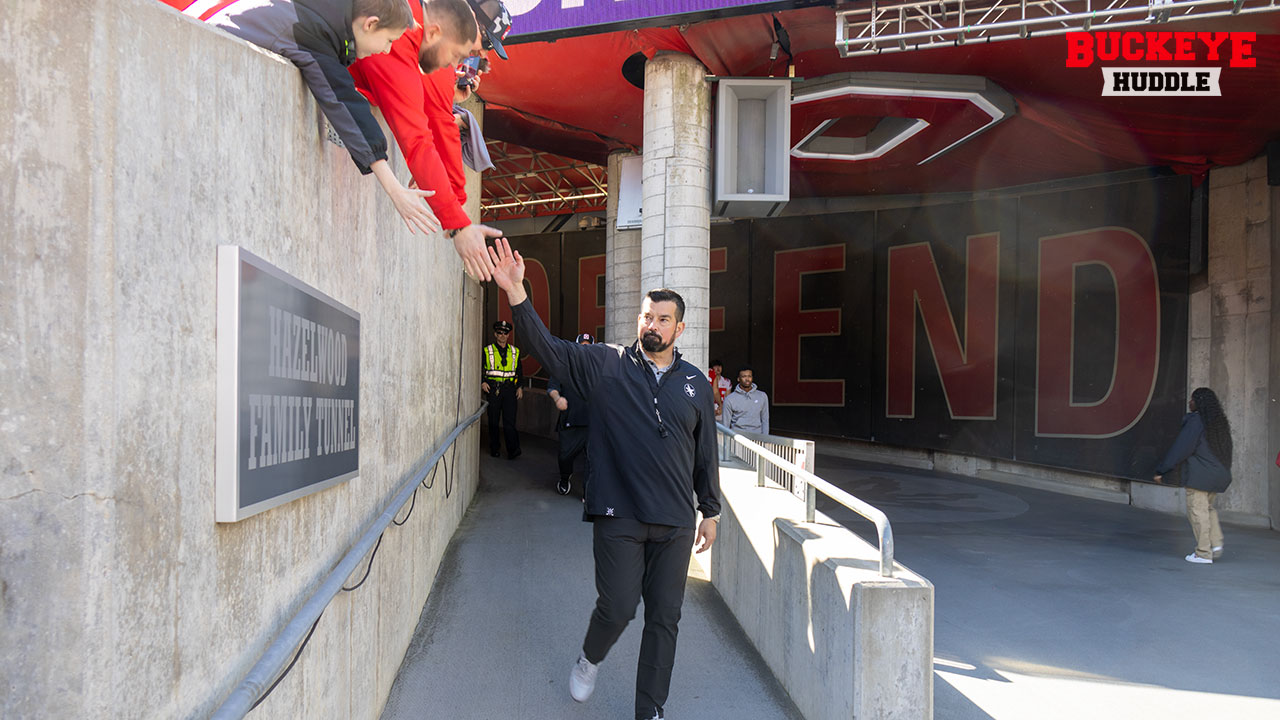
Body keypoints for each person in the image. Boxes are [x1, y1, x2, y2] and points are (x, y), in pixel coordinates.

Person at [487, 238, 720, 720]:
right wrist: (516, 292)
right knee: (617, 607)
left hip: (675, 520)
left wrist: (710, 510)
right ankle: (590, 659)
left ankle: (650, 708)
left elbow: (705, 454)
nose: (651, 325)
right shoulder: (606, 365)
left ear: (680, 327)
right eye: (645, 316)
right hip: (620, 514)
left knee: (665, 618)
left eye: (661, 319)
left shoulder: (695, 383)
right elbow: (547, 350)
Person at [186, 0, 441, 236]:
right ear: (370, 24)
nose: (386, 51)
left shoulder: (324, 14)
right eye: (388, 40)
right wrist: (395, 190)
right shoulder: (313, 29)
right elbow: (343, 101)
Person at [349, 0, 512, 282]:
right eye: (485, 42)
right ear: (469, 17)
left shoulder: (419, 22)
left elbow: (430, 112)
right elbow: (425, 134)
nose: (481, 53)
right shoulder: (406, 32)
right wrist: (458, 220)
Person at [1154, 387, 1234, 564]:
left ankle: (1203, 553)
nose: (1190, 402)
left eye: (1192, 399)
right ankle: (1216, 543)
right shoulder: (1218, 423)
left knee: (1197, 513)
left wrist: (1162, 469)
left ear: (1199, 403)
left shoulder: (1196, 421)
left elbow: (1181, 448)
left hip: (1199, 477)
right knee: (1208, 509)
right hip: (1217, 474)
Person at [547, 333, 595, 496]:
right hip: (570, 422)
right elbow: (552, 388)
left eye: (588, 346)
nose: (585, 349)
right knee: (565, 457)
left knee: (592, 459)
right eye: (582, 345)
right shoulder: (564, 367)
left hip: (592, 423)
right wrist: (557, 398)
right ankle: (565, 478)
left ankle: (587, 492)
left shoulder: (598, 368)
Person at [481, 320, 522, 459]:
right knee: (493, 421)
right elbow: (479, 368)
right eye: (499, 333)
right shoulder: (487, 351)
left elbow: (519, 371)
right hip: (493, 390)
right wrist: (482, 382)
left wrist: (520, 387)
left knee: (510, 422)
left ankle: (513, 450)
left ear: (508, 335)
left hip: (510, 390)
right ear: (495, 334)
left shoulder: (515, 352)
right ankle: (495, 448)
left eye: (505, 333)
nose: (502, 335)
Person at [723, 366, 769, 435]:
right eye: (744, 376)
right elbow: (725, 424)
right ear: (738, 379)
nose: (747, 379)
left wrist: (765, 439)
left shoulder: (762, 396)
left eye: (749, 376)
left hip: (757, 437)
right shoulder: (729, 399)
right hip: (738, 437)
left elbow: (765, 420)